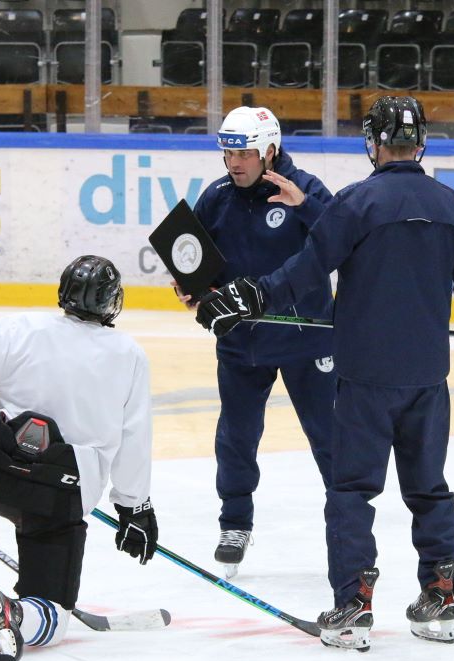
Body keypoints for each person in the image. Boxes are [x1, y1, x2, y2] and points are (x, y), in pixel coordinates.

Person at [195, 95, 454, 651]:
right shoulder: (451, 205)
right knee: (429, 488)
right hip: (427, 378)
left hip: (363, 379)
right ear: (421, 144)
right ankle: (439, 597)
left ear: (372, 145)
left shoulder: (356, 203)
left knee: (352, 490)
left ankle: (353, 604)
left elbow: (305, 270)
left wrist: (251, 292)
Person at [0, 255, 156, 661]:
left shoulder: (21, 328)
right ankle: (16, 611)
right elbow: (134, 436)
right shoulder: (128, 353)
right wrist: (133, 505)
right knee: (52, 616)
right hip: (58, 499)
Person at [172, 105, 336, 578]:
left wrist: (305, 206)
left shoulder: (305, 189)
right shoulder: (217, 197)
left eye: (243, 153)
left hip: (308, 341)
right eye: (227, 153)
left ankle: (345, 525)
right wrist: (193, 290)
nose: (233, 163)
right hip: (241, 343)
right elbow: (197, 262)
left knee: (329, 438)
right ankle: (234, 522)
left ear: (270, 150)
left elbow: (344, 241)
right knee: (237, 437)